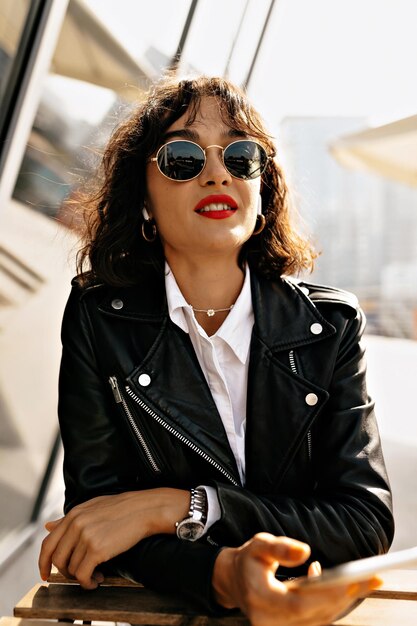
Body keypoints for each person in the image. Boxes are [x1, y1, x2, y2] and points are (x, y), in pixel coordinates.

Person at [38, 75, 394, 624]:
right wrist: (223, 574)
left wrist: (180, 506)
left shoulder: (330, 326)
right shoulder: (98, 319)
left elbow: (362, 521)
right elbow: (99, 517)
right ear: (144, 200)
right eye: (182, 157)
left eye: (240, 154)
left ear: (262, 188)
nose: (216, 172)